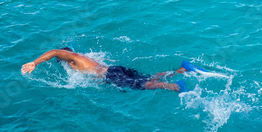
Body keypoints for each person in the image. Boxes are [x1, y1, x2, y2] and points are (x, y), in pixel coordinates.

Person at [21, 47, 204, 92]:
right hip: (114, 69)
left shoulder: (70, 57)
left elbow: (54, 52)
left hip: (111, 74)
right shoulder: (83, 57)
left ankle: (175, 87)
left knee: (142, 85)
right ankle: (182, 70)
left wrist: (34, 63)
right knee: (147, 77)